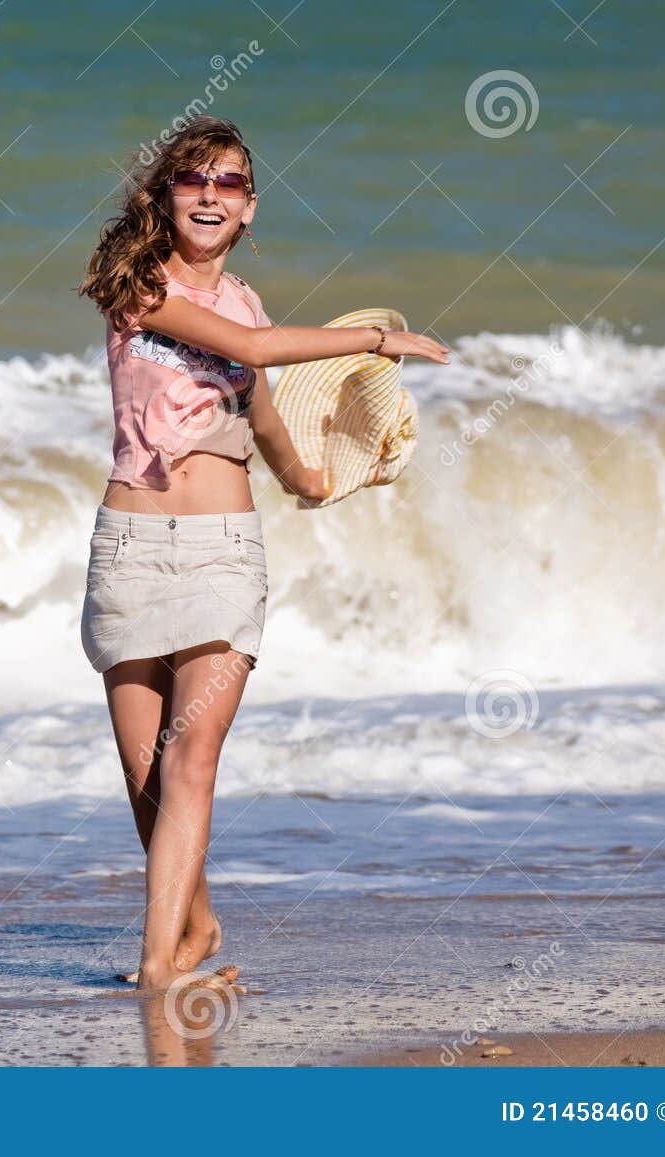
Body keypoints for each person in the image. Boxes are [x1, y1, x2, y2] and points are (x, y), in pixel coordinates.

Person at [77, 115, 449, 994]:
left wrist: (307, 479)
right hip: (128, 546)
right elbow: (244, 351)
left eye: (230, 183)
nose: (211, 194)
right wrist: (372, 337)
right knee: (144, 777)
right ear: (165, 197)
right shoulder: (131, 283)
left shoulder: (246, 300)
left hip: (223, 553)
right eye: (193, 179)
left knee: (190, 756)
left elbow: (265, 410)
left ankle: (159, 965)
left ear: (250, 209)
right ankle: (195, 921)